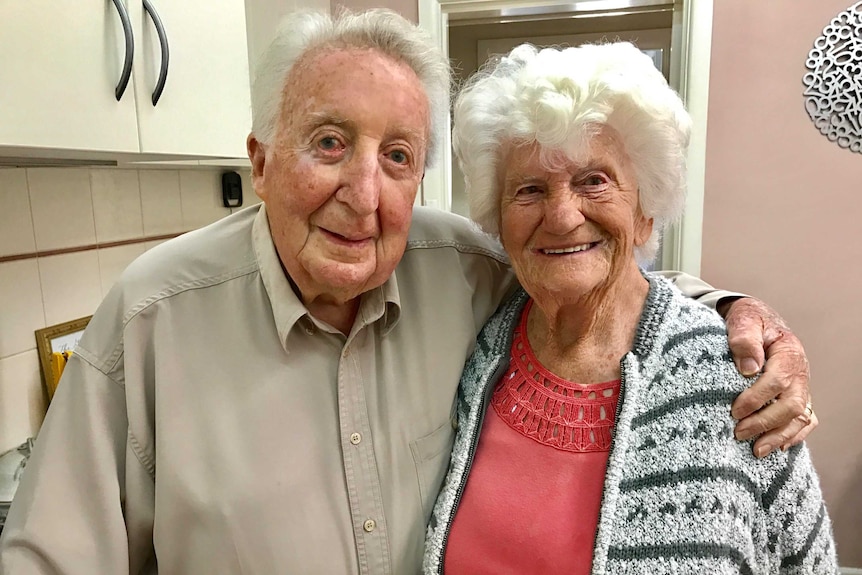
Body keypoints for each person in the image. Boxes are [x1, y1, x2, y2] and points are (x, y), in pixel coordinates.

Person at [0, 9, 815, 575]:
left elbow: (590, 274)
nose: (365, 193)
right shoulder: (149, 320)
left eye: (398, 157)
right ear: (261, 159)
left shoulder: (459, 270)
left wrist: (731, 311)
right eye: (329, 142)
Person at [423, 42, 836, 574]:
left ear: (646, 210)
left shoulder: (731, 370)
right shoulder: (479, 348)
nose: (563, 215)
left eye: (594, 180)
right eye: (529, 189)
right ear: (499, 221)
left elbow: (806, 561)